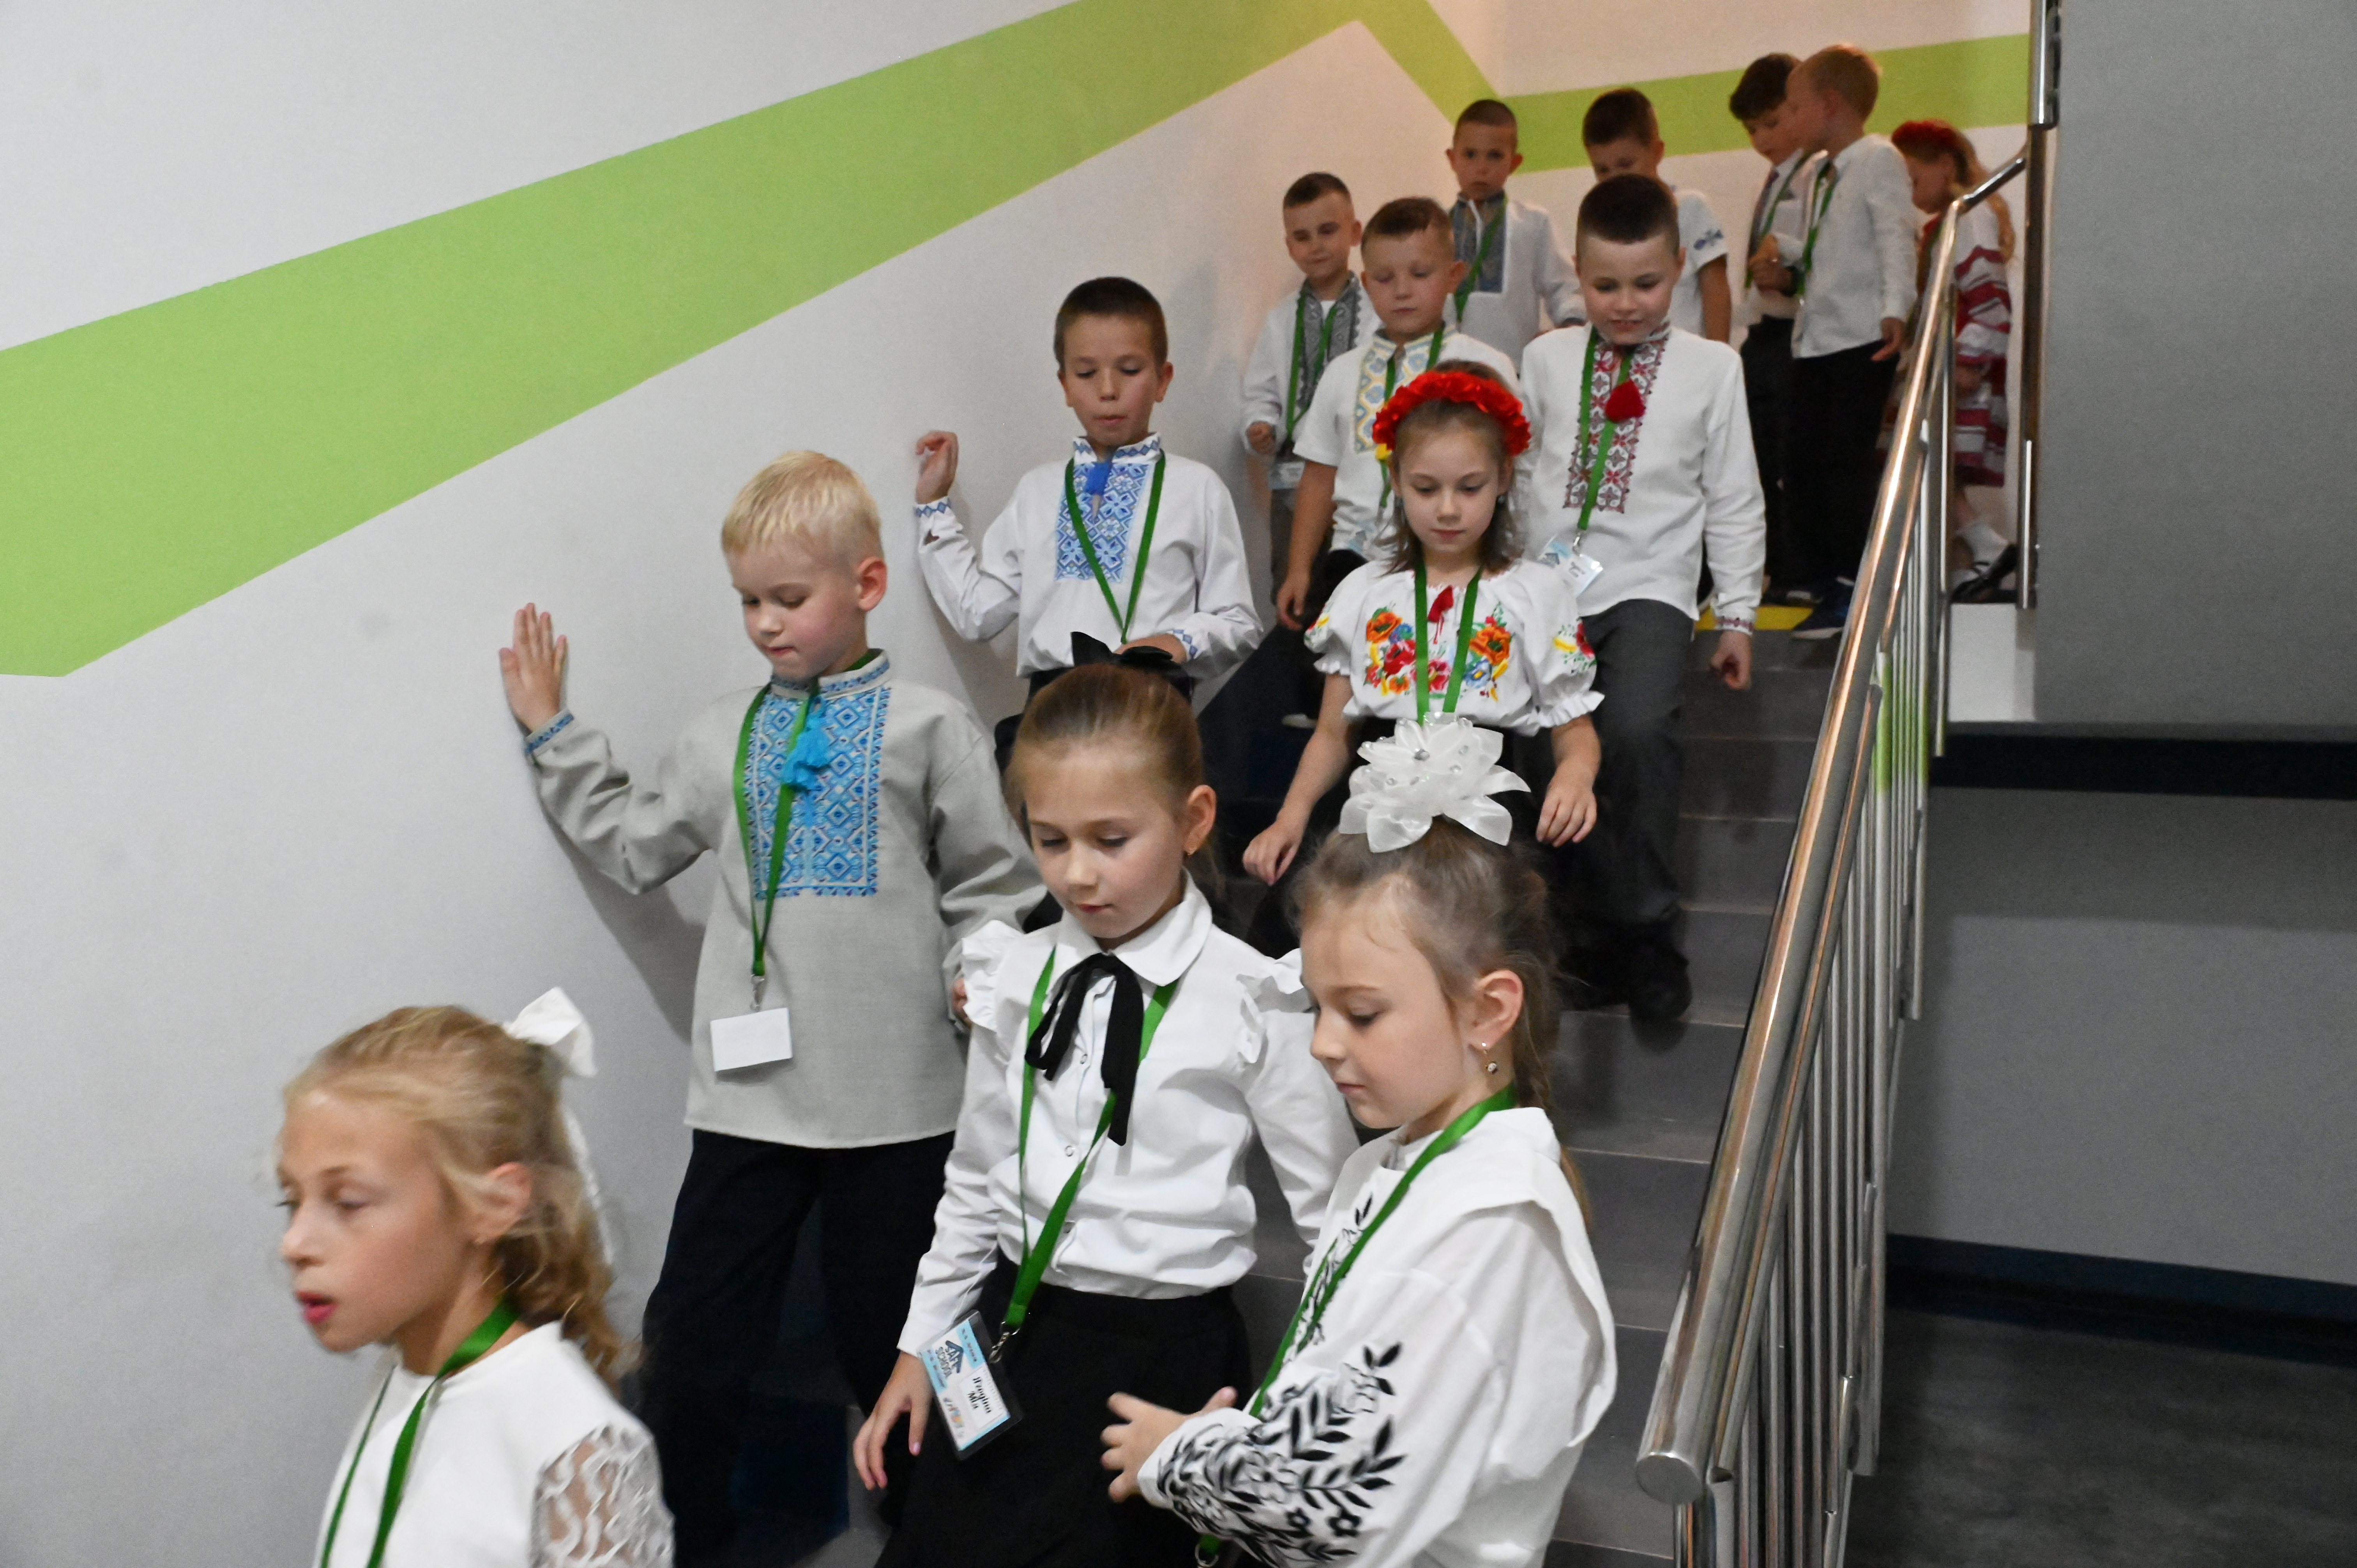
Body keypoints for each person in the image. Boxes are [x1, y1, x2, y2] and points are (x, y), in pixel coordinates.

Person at [498, 451, 1039, 1562]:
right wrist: (556, 735)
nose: (764, 624)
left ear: (870, 583)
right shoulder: (717, 735)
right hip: (751, 1100)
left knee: (916, 1336)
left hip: (904, 1102)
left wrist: (975, 971)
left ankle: (973, 1525)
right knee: (692, 1340)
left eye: (789, 598)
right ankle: (683, 1537)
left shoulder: (932, 728)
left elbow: (996, 886)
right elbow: (635, 841)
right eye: (748, 600)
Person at [852, 663, 1358, 1567]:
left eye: (1112, 838)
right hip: (1014, 1325)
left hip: (1163, 1362)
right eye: (1051, 840)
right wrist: (920, 1345)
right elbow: (974, 1181)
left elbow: (1332, 1230)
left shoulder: (1255, 998)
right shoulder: (1014, 973)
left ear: (1194, 819)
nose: (1079, 873)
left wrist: (1280, 1410)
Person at [1101, 811, 1616, 1567]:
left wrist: (1176, 1452)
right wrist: (1252, 1438)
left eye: (1363, 1012)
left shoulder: (1494, 1218)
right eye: (1317, 1005)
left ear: (1488, 1009)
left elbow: (1340, 1504)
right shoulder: (1397, 1160)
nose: (1322, 1042)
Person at [281, 1002, 675, 1567]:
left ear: (492, 1206)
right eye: (291, 1201)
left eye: (347, 1202)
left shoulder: (574, 1444)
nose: (294, 1243)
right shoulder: (406, 1376)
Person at [1514, 175, 1766, 1020]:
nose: (1626, 304)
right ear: (1577, 273)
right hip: (1549, 591)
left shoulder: (1713, 369)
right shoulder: (1545, 357)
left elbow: (1733, 496)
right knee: (1540, 746)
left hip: (1654, 586)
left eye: (1647, 284)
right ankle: (1574, 933)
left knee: (1632, 729)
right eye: (1605, 285)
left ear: (1682, 269)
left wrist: (1735, 612)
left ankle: (1648, 933)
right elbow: (1520, 475)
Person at [1243, 363, 1601, 955]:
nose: (1449, 510)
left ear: (1504, 477)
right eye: (1426, 489)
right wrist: (1291, 816)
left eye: (1470, 487)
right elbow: (1333, 734)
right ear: (1396, 480)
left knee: (1478, 949)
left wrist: (1576, 775)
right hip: (1374, 792)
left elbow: (1577, 729)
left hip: (1487, 801)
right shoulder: (1364, 591)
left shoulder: (1536, 593)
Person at [912, 275, 1263, 762]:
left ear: (1163, 379)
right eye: (1085, 373)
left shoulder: (1197, 488)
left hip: (1153, 713)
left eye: (1130, 369)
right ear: (1063, 385)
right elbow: (977, 612)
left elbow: (1240, 622)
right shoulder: (1037, 490)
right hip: (1051, 716)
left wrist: (1178, 641)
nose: (1108, 390)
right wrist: (934, 507)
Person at [1277, 197, 1520, 638]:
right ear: (1367, 283)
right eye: (1385, 279)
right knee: (1328, 681)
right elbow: (1318, 476)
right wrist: (1299, 568)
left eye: (1420, 275)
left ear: (1453, 276)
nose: (1402, 290)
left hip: (1455, 560)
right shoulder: (1343, 371)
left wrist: (1512, 559)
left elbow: (1515, 472)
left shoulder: (1485, 366)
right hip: (1352, 557)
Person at [1754, 44, 1919, 639]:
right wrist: (1786, 258)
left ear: (1829, 105)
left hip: (1859, 340)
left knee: (1842, 465)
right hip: (1815, 340)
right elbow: (1832, 243)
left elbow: (1896, 235)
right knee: (1801, 464)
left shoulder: (1877, 158)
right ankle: (1823, 579)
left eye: (1795, 107)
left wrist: (1896, 309)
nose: (1790, 121)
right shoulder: (1823, 173)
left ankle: (1854, 583)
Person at [1892, 118, 2017, 600]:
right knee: (1928, 471)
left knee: (1927, 465)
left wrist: (1967, 362)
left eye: (1913, 177)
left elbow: (1990, 302)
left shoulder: (1969, 217)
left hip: (1959, 372)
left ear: (1944, 167)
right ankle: (1971, 560)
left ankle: (1988, 548)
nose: (1908, 190)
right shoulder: (1945, 224)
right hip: (1943, 369)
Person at [1242, 172, 1369, 592]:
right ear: (1289, 245)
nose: (1315, 245)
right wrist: (1261, 426)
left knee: (1357, 577)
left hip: (1361, 471)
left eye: (1328, 231)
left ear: (1354, 233)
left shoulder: (1378, 312)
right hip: (1293, 475)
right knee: (1292, 579)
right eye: (1301, 236)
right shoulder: (1280, 318)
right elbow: (1261, 391)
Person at [1729, 53, 1819, 602]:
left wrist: (1789, 279)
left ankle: (1798, 574)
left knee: (1791, 458)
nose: (1763, 138)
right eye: (1753, 130)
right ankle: (1776, 570)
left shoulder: (1818, 173)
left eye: (1772, 123)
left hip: (1796, 334)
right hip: (1762, 333)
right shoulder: (1777, 176)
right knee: (1756, 458)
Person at [1582, 87, 1733, 343]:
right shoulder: (1601, 225)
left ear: (1657, 151)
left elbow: (1715, 288)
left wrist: (1720, 355)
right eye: (1603, 170)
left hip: (1687, 359)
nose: (1617, 178)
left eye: (1626, 164)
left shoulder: (1688, 208)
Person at [1442, 99, 1585, 362]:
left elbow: (1564, 288)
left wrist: (1568, 330)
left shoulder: (1533, 223)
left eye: (1495, 156)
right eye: (1470, 154)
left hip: (1514, 368)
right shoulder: (1436, 228)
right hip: (1444, 368)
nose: (1482, 167)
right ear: (1452, 159)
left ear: (1515, 163)